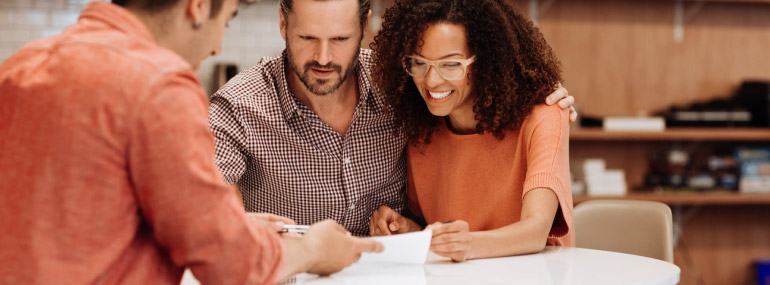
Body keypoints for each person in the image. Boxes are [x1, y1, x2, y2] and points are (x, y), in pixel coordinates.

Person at [0, 0, 381, 284]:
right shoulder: (158, 82)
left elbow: (82, 216)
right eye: (227, 20)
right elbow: (228, 262)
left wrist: (229, 222)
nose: (216, 48)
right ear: (198, 7)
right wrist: (314, 249)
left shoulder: (20, 66)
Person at [208, 0, 577, 237]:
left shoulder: (400, 85)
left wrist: (541, 94)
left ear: (365, 24)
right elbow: (200, 212)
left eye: (339, 38)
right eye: (307, 37)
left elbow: (456, 81)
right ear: (282, 24)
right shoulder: (240, 106)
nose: (323, 57)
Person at [368, 0, 574, 262]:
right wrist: (410, 231)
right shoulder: (422, 131)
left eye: (451, 65)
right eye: (418, 63)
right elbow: (452, 243)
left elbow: (535, 231)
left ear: (490, 60)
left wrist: (468, 243)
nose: (431, 81)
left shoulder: (544, 116)